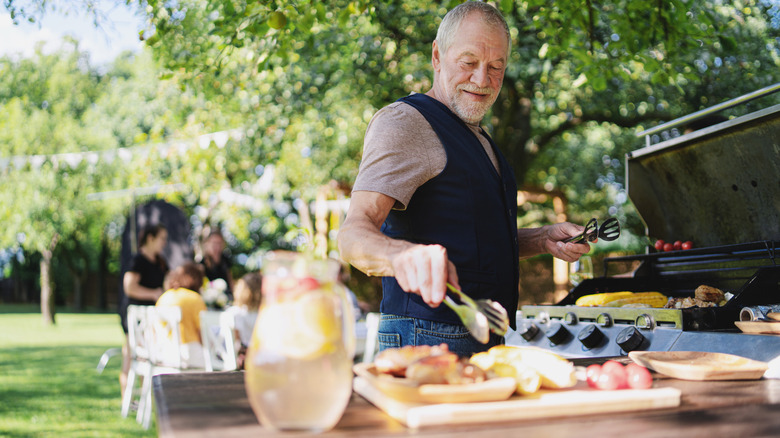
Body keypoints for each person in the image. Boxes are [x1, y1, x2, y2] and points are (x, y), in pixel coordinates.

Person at [337, 2, 590, 358]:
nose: (482, 80)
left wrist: (542, 238)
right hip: (425, 337)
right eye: (469, 63)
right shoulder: (404, 122)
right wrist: (401, 255)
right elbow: (351, 236)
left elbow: (475, 242)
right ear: (437, 56)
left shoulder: (479, 137)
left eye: (496, 67)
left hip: (485, 333)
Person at [120, 224, 169, 396]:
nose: (164, 243)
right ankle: (127, 397)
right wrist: (153, 294)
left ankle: (144, 397)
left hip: (153, 316)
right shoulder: (138, 260)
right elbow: (129, 287)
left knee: (146, 357)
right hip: (135, 316)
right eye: (162, 238)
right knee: (131, 355)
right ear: (151, 238)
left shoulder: (160, 262)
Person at [156, 262, 208, 368]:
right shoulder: (195, 298)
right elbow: (202, 333)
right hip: (188, 353)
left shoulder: (163, 297)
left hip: (163, 352)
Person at [222, 272, 263, 369]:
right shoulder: (265, 314)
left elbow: (235, 341)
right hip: (260, 359)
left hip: (238, 361)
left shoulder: (233, 313)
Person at [199, 229, 235, 299]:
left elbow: (231, 282)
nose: (217, 247)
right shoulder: (202, 263)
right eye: (214, 243)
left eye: (219, 243)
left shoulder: (225, 260)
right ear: (207, 243)